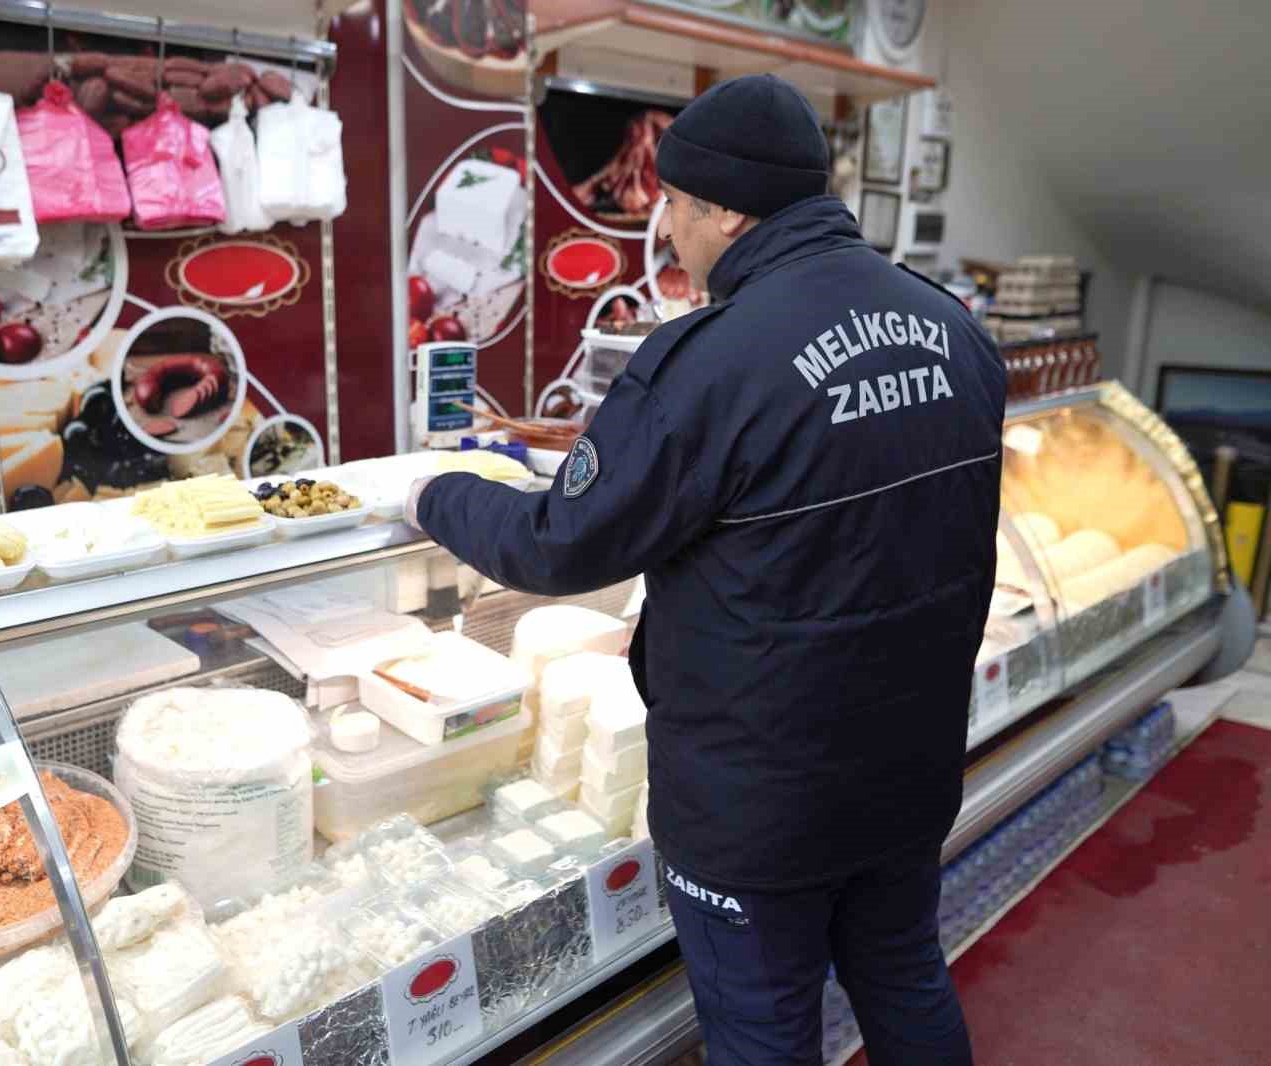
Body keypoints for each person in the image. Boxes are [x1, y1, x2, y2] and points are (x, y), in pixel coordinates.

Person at [408, 74, 1004, 1065]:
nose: (669, 231)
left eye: (675, 207)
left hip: (760, 797)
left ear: (724, 210)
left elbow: (563, 542)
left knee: (763, 1029)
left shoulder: (708, 359)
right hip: (909, 764)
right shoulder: (953, 327)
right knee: (902, 972)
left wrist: (432, 494)